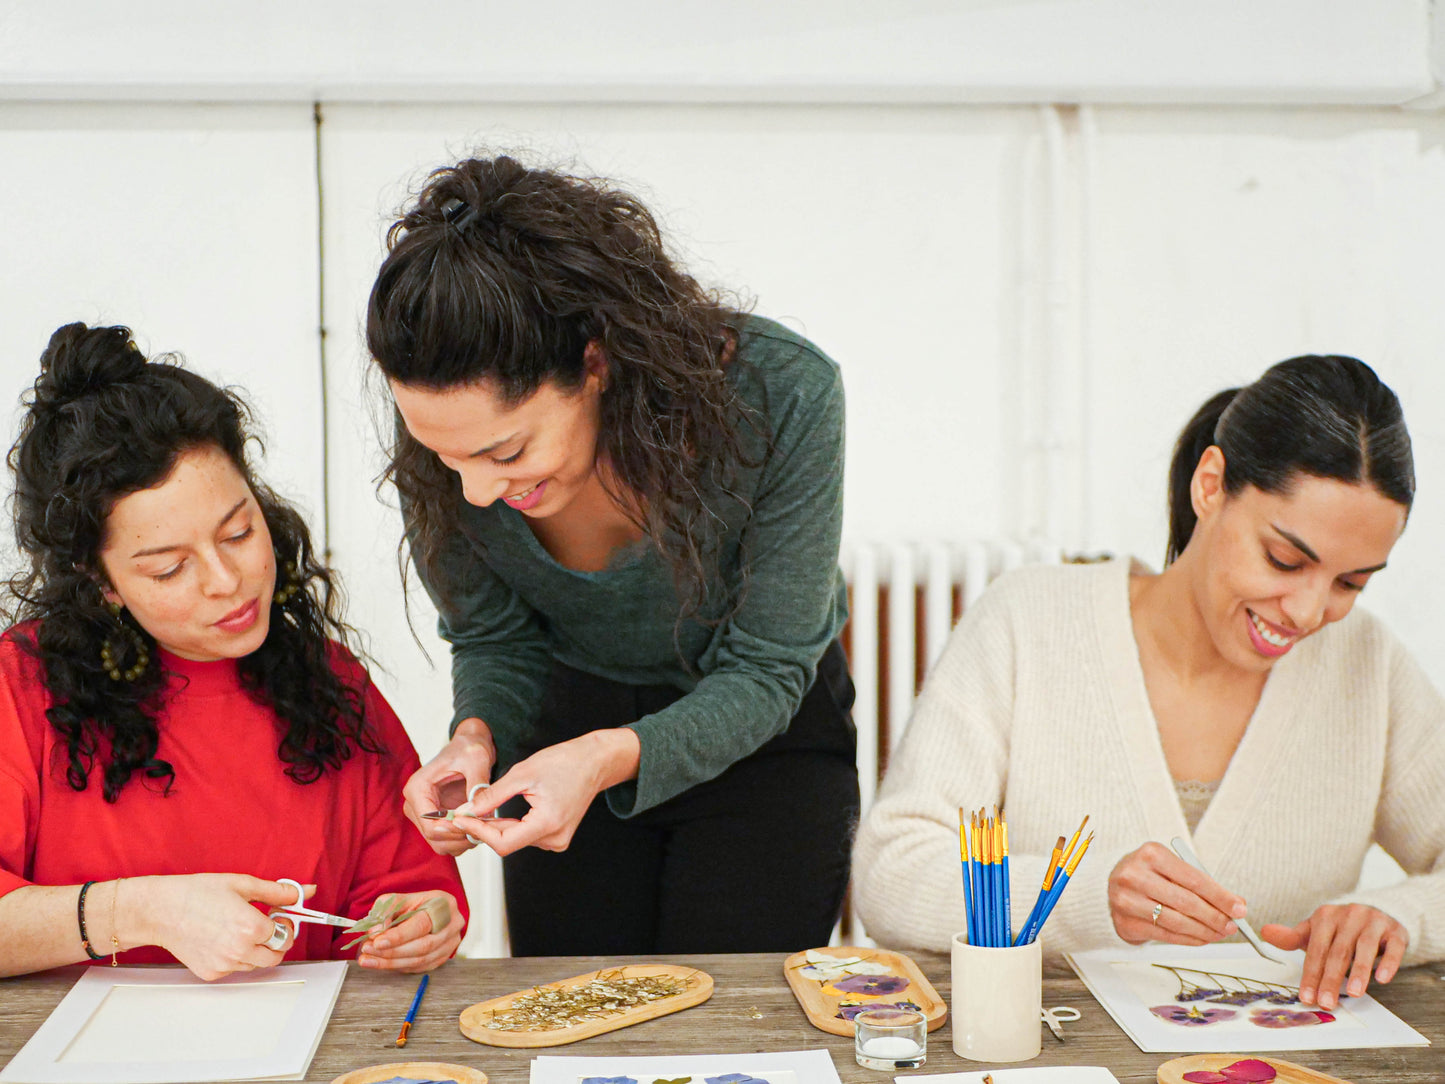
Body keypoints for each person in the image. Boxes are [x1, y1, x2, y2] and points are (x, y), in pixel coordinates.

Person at [366, 154, 858, 955]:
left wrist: (602, 760)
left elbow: (767, 670)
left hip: (764, 740)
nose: (477, 493)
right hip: (564, 735)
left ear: (593, 362)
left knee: (737, 1041)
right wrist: (477, 737)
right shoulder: (450, 425)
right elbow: (496, 636)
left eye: (505, 452)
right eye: (447, 460)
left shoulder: (784, 394)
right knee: (570, 1029)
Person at [853, 355, 1445, 1009]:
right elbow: (890, 871)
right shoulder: (1029, 620)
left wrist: (1397, 919)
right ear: (1210, 485)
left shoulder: (1367, 665)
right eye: (1283, 559)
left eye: (1349, 583)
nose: (1308, 612)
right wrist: (1085, 901)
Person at [0, 323, 468, 980]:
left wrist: (417, 925)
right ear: (101, 583)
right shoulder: (20, 687)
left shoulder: (326, 678)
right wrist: (137, 913)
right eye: (168, 570)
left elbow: (413, 885)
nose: (227, 582)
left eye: (239, 531)